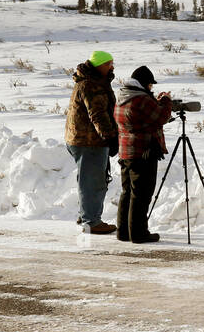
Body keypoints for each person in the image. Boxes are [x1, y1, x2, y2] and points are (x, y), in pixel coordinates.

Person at [114, 65, 173, 244]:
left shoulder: (122, 97)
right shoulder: (140, 100)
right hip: (143, 152)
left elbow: (142, 120)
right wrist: (166, 100)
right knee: (141, 194)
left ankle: (123, 232)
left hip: (125, 151)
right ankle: (139, 234)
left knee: (127, 192)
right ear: (143, 84)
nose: (151, 89)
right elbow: (161, 116)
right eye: (150, 86)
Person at [65, 49, 118, 234]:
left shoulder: (93, 82)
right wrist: (109, 136)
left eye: (112, 63)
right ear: (98, 65)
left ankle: (86, 215)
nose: (111, 66)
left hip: (83, 139)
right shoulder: (91, 84)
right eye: (108, 63)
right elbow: (97, 114)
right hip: (89, 141)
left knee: (88, 179)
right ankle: (91, 221)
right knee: (93, 182)